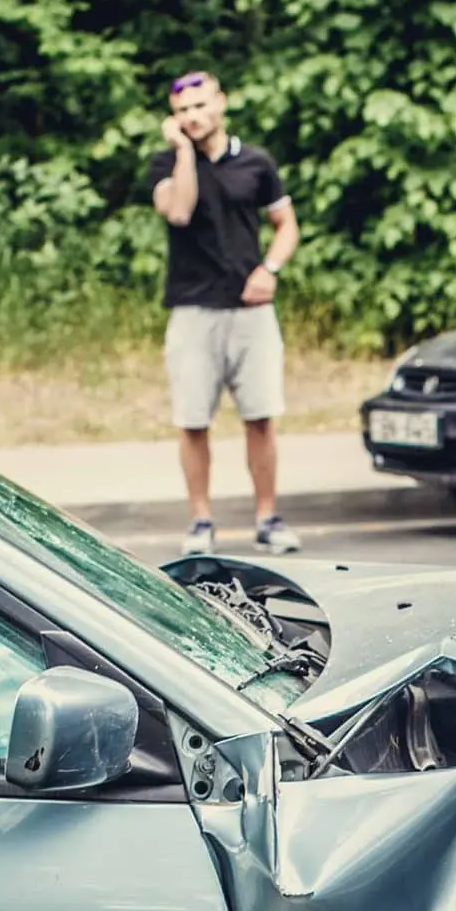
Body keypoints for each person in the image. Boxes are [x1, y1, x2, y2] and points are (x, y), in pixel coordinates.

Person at [148, 69, 302, 555]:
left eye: (200, 106)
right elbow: (179, 211)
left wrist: (270, 269)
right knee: (193, 421)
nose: (193, 117)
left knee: (261, 417)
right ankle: (200, 522)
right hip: (193, 312)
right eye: (183, 111)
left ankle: (268, 518)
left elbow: (286, 225)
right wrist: (184, 154)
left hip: (251, 312)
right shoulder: (165, 164)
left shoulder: (256, 162)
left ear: (221, 103)